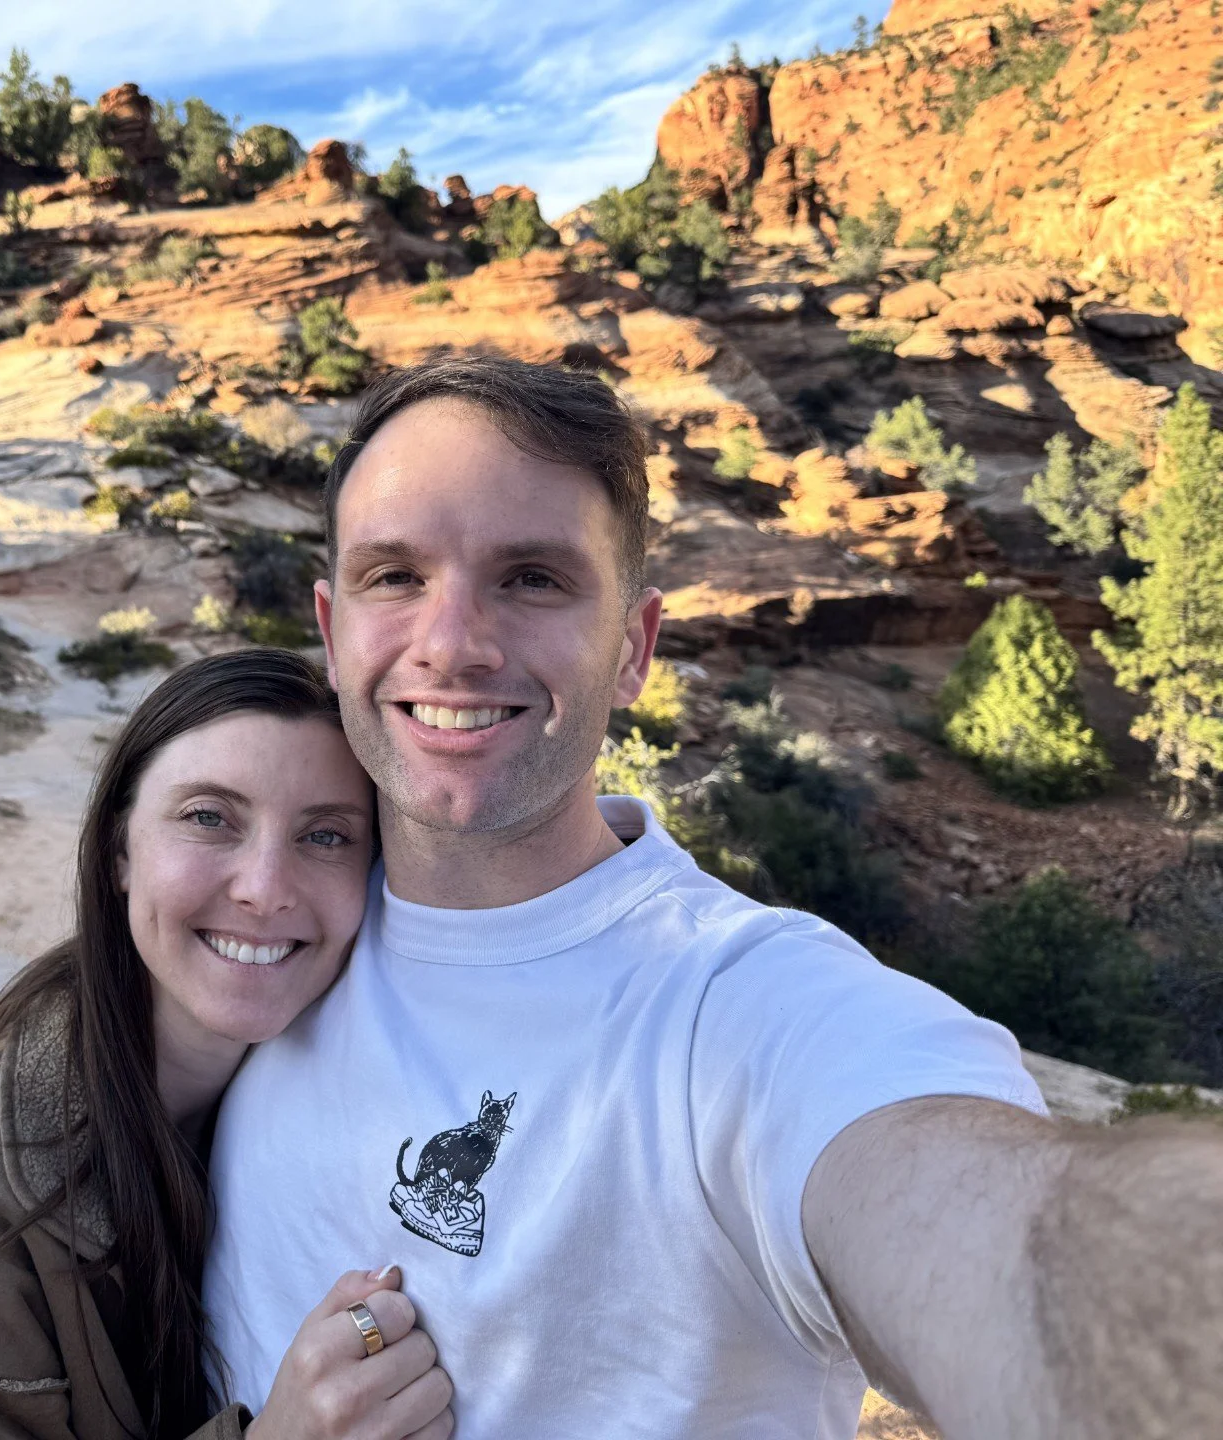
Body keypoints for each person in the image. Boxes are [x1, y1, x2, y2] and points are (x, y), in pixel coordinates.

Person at [205, 355, 1223, 1439]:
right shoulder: (262, 932)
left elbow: (1009, 1244)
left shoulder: (742, 1012)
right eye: (395, 576)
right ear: (330, 625)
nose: (452, 642)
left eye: (533, 578)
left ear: (635, 649)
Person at [0, 649, 455, 1440]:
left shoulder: (311, 1062)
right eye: (208, 818)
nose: (264, 887)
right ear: (120, 850)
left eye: (326, 836)